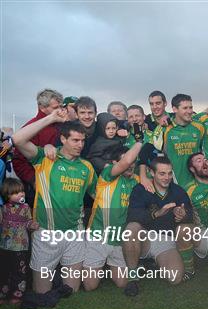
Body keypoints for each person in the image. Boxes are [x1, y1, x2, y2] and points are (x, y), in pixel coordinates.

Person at [12, 109, 97, 294]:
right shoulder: (45, 157)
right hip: (46, 234)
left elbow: (98, 195)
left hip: (74, 234)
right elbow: (18, 140)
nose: (80, 145)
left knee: (71, 291)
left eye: (83, 141)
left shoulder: (87, 167)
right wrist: (51, 118)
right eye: (75, 140)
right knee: (41, 292)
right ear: (63, 139)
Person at [123, 156, 194, 296]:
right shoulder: (140, 189)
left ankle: (153, 263)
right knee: (131, 229)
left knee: (175, 278)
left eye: (169, 173)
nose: (167, 177)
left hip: (166, 241)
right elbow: (133, 216)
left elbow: (190, 215)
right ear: (151, 172)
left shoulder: (178, 191)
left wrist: (182, 214)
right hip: (145, 238)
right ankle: (132, 277)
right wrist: (157, 214)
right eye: (162, 173)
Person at [83, 143, 143, 291]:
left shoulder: (137, 180)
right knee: (90, 286)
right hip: (98, 237)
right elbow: (126, 162)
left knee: (122, 283)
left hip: (119, 240)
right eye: (126, 162)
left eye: (133, 162)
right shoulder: (107, 174)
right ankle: (93, 266)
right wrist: (140, 141)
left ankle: (105, 266)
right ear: (115, 163)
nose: (130, 165)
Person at [12, 89, 63, 207]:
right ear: (42, 107)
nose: (59, 110)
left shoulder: (62, 125)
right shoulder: (30, 129)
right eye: (55, 108)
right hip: (39, 189)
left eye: (61, 106)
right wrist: (35, 181)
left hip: (61, 185)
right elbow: (18, 161)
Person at [0, 178, 39, 304]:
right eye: (16, 192)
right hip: (5, 245)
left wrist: (31, 225)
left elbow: (28, 221)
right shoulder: (4, 208)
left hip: (20, 246)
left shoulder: (25, 207)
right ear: (7, 195)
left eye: (22, 191)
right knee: (5, 270)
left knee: (20, 270)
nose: (21, 194)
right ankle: (3, 292)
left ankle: (17, 293)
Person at [154, 94, 204, 189]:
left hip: (196, 184)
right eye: (185, 108)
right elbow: (157, 153)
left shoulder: (199, 127)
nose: (189, 111)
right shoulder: (164, 129)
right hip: (173, 183)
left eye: (191, 107)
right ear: (175, 109)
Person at [185, 153, 208, 260]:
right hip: (206, 234)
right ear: (192, 169)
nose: (204, 162)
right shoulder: (189, 190)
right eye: (199, 161)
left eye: (205, 160)